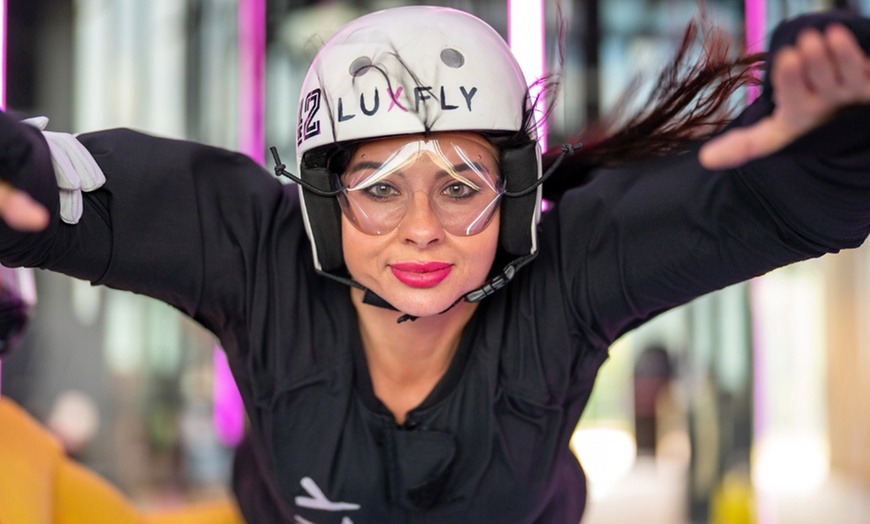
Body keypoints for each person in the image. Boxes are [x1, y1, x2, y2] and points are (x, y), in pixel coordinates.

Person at [0, 4, 868, 523]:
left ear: (518, 194)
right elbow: (62, 191)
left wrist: (840, 135)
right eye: (379, 189)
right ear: (324, 198)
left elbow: (788, 204)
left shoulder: (568, 279)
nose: (423, 231)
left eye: (461, 188)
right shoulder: (256, 255)